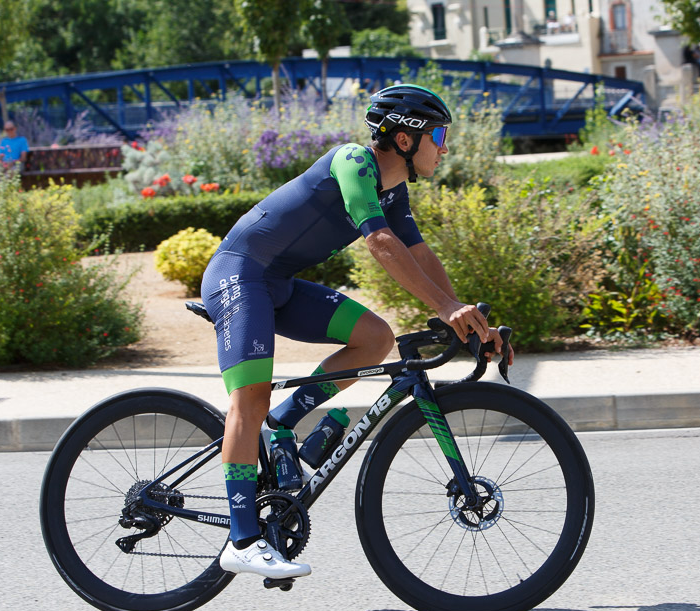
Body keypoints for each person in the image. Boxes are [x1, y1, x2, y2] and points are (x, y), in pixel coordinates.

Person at [200, 85, 510, 580]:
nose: (445, 147)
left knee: (375, 337)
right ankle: (242, 539)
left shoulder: (394, 190)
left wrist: (467, 318)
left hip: (276, 284)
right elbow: (381, 242)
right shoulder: (352, 161)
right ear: (406, 139)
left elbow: (420, 255)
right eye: (439, 135)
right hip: (239, 276)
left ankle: (283, 423)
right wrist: (446, 307)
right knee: (248, 398)